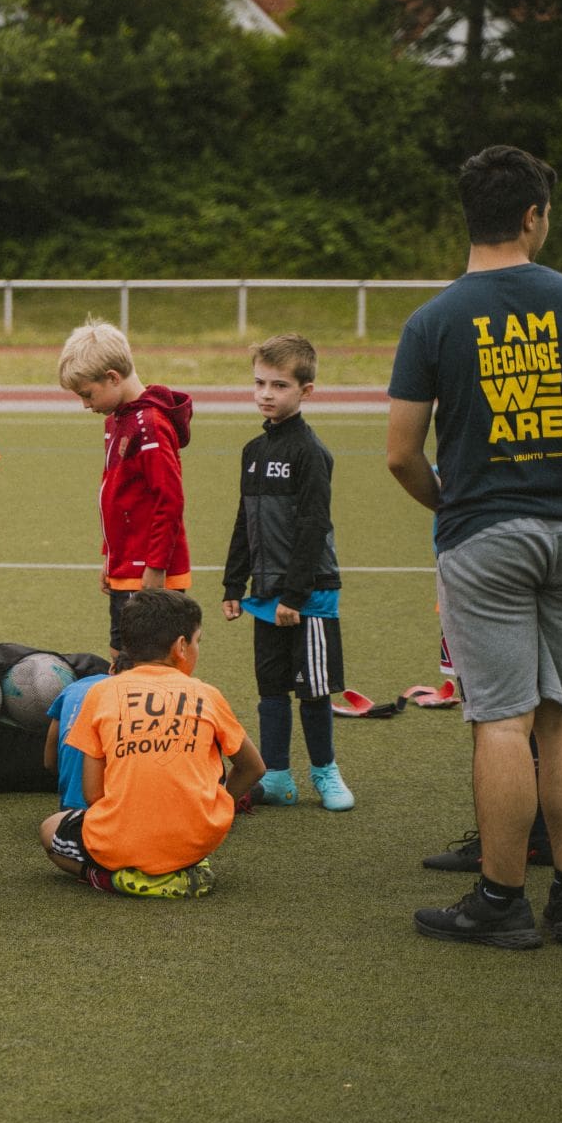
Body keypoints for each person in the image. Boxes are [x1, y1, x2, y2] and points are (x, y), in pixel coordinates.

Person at [389, 144, 562, 949]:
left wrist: (453, 507)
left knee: (502, 721)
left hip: (485, 535)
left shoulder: (432, 320)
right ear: (533, 216)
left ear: (469, 217)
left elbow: (401, 453)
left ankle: (502, 899)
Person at [39, 589, 264, 898]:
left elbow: (92, 794)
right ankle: (180, 868)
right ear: (181, 646)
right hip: (197, 838)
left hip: (119, 841)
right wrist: (218, 807)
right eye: (197, 641)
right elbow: (253, 767)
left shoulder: (100, 693)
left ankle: (108, 878)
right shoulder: (207, 694)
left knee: (49, 829)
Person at [220, 333, 355, 812]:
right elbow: (245, 520)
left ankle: (325, 772)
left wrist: (294, 597)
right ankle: (277, 776)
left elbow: (314, 526)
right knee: (271, 687)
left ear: (306, 390)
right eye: (260, 383)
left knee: (313, 691)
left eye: (279, 385)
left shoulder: (310, 452)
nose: (266, 394)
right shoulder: (253, 451)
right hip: (264, 594)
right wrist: (234, 583)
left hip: (307, 596)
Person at [56, 318, 194, 655]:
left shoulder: (150, 424)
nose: (85, 404)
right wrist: (109, 556)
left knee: (148, 662)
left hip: (148, 572)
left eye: (87, 394)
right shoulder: (117, 420)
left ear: (113, 377)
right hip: (125, 567)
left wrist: (156, 567)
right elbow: (116, 497)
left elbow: (169, 500)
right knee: (120, 655)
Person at [43, 666, 112, 810]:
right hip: (108, 811)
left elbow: (49, 762)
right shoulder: (131, 695)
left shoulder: (72, 688)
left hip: (70, 809)